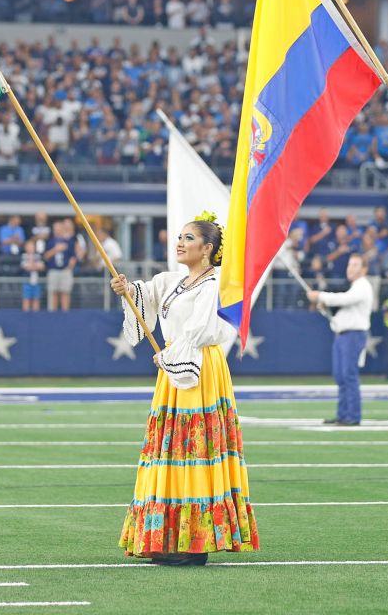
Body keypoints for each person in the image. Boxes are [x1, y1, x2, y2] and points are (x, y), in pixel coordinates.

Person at [110, 212, 260, 566]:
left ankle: (194, 542)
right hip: (173, 368)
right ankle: (169, 537)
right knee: (171, 451)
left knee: (194, 451)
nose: (180, 242)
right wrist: (127, 290)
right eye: (179, 236)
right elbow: (144, 296)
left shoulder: (213, 286)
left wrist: (169, 356)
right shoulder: (175, 281)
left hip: (198, 369)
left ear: (208, 248)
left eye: (189, 238)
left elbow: (200, 331)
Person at [308, 253, 375, 425]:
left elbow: (345, 299)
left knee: (348, 375)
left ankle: (353, 416)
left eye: (355, 265)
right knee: (340, 376)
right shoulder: (355, 286)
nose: (350, 268)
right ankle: (343, 414)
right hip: (342, 336)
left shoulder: (362, 286)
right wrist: (324, 307)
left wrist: (320, 296)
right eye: (349, 265)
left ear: (364, 269)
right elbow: (343, 313)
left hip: (352, 336)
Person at [44, 219, 78, 311]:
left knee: (65, 292)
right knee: (53, 292)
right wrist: (56, 249)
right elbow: (46, 256)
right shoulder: (50, 242)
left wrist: (70, 266)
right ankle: (52, 313)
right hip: (53, 270)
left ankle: (65, 312)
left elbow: (74, 256)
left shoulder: (69, 242)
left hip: (65, 270)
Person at [20, 239, 45, 312]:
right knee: (26, 299)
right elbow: (25, 267)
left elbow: (42, 267)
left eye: (32, 246)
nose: (30, 248)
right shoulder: (23, 256)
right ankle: (25, 316)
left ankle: (36, 316)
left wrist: (32, 266)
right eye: (29, 246)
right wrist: (35, 267)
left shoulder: (38, 256)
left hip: (36, 281)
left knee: (36, 299)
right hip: (27, 281)